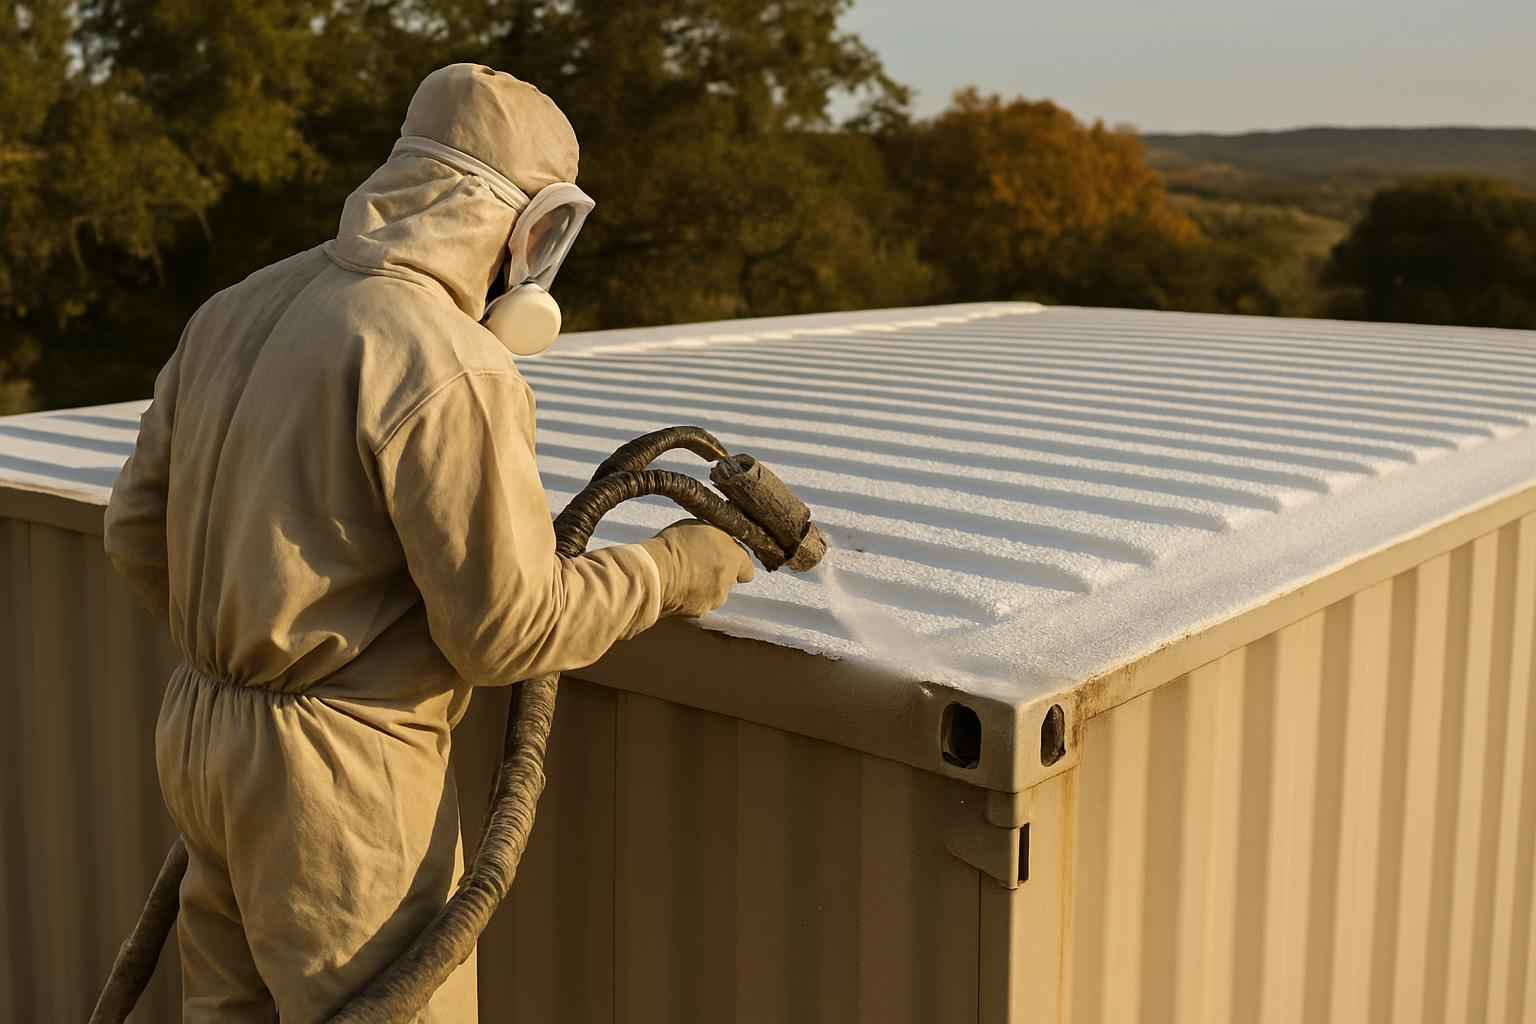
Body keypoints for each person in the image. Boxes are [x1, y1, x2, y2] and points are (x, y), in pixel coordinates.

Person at [103, 63, 753, 1022]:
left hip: (202, 733)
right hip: (339, 784)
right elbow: (507, 632)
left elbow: (133, 534)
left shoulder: (238, 306)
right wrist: (669, 570)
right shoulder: (446, 362)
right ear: (529, 227)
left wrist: (251, 655)